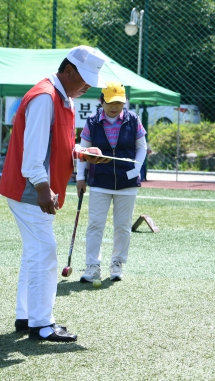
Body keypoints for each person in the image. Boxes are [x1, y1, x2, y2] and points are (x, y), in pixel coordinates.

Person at [0, 45, 110, 342]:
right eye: (83, 79)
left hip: (33, 188)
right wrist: (44, 189)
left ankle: (27, 316)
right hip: (30, 190)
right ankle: (42, 324)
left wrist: (82, 153)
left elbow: (55, 148)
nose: (87, 86)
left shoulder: (63, 99)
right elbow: (33, 156)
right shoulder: (46, 97)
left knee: (35, 254)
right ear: (68, 70)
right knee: (45, 254)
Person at [77, 81, 148, 283]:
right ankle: (92, 267)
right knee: (95, 225)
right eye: (110, 102)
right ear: (102, 101)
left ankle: (117, 264)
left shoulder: (133, 120)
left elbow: (142, 147)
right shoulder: (92, 122)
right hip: (99, 180)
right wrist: (80, 178)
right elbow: (83, 152)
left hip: (127, 182)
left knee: (123, 226)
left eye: (119, 102)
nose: (115, 107)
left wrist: (137, 167)